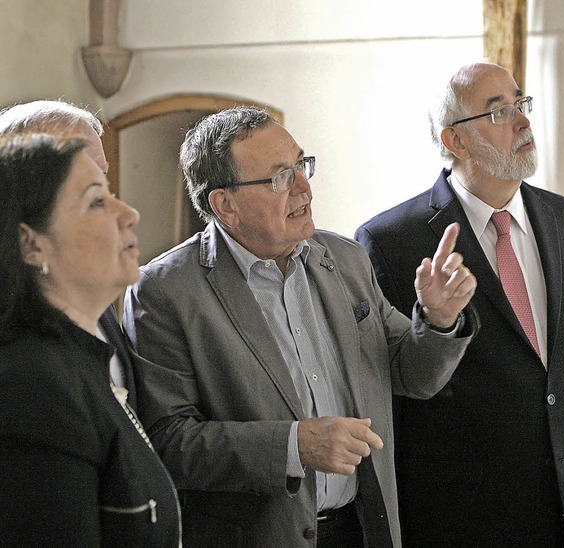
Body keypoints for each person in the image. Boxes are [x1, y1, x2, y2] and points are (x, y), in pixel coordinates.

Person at [122, 106, 479, 547]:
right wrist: (293, 445)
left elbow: (412, 375)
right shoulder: (163, 291)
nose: (304, 188)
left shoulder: (345, 259)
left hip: (361, 529)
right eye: (280, 177)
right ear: (225, 205)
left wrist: (439, 320)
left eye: (301, 166)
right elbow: (166, 441)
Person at [354, 61, 564, 547]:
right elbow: (391, 396)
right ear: (455, 141)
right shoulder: (390, 242)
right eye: (498, 112)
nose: (523, 121)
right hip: (463, 521)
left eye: (520, 104)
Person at [0, 132, 181, 545]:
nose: (129, 213)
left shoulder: (78, 358)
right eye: (96, 201)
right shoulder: (33, 385)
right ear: (31, 244)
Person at [0, 100, 138, 410]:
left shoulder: (92, 296)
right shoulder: (26, 376)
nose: (128, 213)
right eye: (92, 197)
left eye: (103, 182)